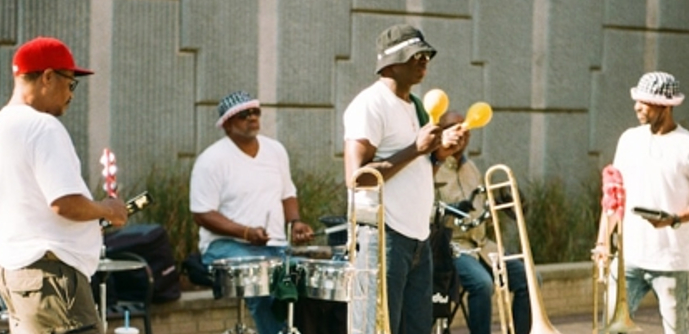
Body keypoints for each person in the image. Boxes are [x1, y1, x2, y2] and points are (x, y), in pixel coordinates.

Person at [0, 36, 129, 334]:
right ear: (47, 77)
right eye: (70, 82)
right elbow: (64, 203)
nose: (71, 94)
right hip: (51, 279)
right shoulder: (43, 126)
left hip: (17, 277)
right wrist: (108, 209)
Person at [342, 24, 463, 334]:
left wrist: (439, 155)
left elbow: (418, 172)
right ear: (390, 63)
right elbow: (357, 178)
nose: (423, 61)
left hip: (419, 238)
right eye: (415, 56)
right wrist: (416, 149)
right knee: (375, 329)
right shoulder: (370, 104)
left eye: (426, 55)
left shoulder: (416, 107)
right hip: (382, 238)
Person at [595, 71, 689, 334]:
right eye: (637, 100)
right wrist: (603, 242)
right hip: (628, 258)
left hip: (670, 262)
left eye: (644, 101)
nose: (637, 106)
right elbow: (614, 195)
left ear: (665, 105)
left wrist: (674, 219)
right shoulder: (629, 139)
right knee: (611, 330)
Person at [189, 90, 314, 334]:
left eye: (255, 112)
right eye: (243, 115)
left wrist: (296, 222)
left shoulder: (275, 150)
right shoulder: (211, 160)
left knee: (304, 281)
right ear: (227, 124)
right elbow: (202, 214)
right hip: (226, 246)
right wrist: (246, 232)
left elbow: (287, 194)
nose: (252, 117)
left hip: (274, 246)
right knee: (264, 287)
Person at [434, 111, 531, 334]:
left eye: (466, 131)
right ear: (442, 133)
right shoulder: (433, 168)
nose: (462, 135)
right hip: (452, 247)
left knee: (529, 279)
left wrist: (503, 204)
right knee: (482, 284)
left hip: (483, 246)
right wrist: (452, 210)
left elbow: (481, 206)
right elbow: (429, 213)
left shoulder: (472, 168)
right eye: (455, 128)